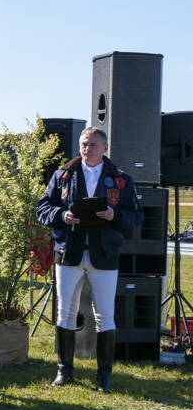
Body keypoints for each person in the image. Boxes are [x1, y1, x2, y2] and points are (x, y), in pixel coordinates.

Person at [37, 127, 142, 392]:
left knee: (105, 314)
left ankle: (104, 375)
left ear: (105, 148)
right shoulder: (62, 175)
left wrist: (115, 215)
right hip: (69, 252)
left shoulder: (121, 180)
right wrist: (61, 216)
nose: (87, 149)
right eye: (84, 144)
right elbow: (43, 208)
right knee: (65, 311)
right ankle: (64, 370)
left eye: (93, 145)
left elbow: (136, 216)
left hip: (104, 254)